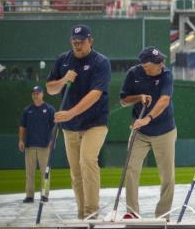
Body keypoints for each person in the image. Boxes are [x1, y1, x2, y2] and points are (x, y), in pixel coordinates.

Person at [45, 24, 111, 219]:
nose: (77, 45)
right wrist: (63, 80)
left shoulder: (101, 62)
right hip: (70, 127)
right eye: (74, 42)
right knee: (76, 172)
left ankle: (92, 213)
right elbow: (50, 89)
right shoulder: (63, 60)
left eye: (81, 42)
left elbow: (95, 94)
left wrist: (71, 113)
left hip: (95, 123)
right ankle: (82, 214)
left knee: (87, 161)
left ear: (90, 41)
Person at [119, 47, 176, 219]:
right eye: (156, 62)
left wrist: (148, 118)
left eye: (160, 61)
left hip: (164, 130)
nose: (161, 64)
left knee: (167, 176)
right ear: (145, 66)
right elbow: (123, 100)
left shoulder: (166, 75)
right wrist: (139, 97)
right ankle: (132, 212)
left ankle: (163, 214)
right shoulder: (133, 73)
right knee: (130, 169)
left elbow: (165, 100)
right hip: (140, 132)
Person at [18, 85, 55, 203]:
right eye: (33, 93)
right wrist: (21, 140)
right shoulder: (27, 110)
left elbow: (54, 127)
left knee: (45, 172)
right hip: (30, 146)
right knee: (29, 173)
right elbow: (22, 126)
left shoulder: (49, 109)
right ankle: (29, 196)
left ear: (42, 94)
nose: (35, 95)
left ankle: (44, 195)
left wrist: (52, 140)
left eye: (37, 93)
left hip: (44, 145)